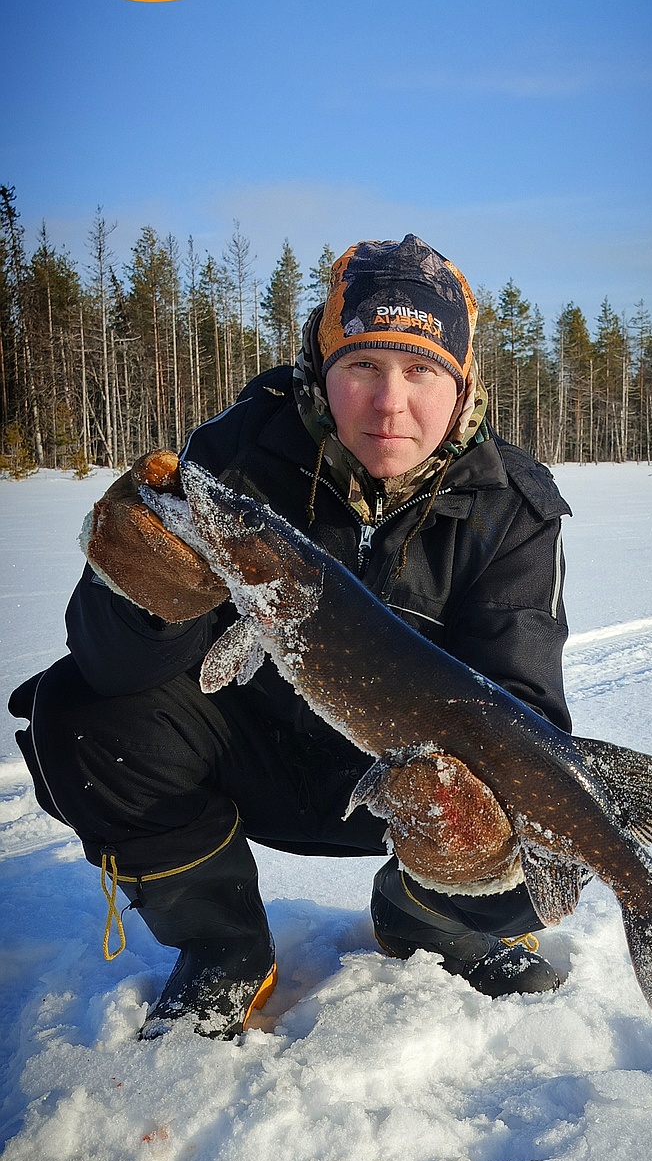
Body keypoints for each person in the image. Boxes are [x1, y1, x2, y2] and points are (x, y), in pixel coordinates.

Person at [9, 235, 572, 1039]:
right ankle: (222, 946)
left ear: (462, 382)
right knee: (76, 711)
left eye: (420, 372)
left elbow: (524, 701)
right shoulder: (233, 459)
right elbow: (113, 662)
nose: (389, 403)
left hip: (404, 783)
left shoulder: (511, 506)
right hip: (251, 749)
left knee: (554, 804)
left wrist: (468, 820)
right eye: (363, 367)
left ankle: (431, 918)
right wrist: (144, 593)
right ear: (321, 367)